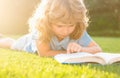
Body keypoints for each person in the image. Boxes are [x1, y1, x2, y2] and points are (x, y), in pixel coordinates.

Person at [0, 0, 102, 57]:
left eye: (71, 25)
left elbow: (98, 49)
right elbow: (44, 53)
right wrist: (72, 54)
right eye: (60, 26)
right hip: (28, 43)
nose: (66, 31)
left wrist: (82, 49)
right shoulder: (42, 30)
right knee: (12, 44)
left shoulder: (78, 31)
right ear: (47, 21)